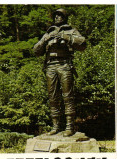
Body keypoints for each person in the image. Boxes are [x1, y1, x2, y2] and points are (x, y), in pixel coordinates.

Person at [33, 8, 86, 137]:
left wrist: (65, 37)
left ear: (65, 17)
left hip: (64, 64)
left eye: (60, 15)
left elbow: (83, 43)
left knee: (68, 96)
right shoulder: (48, 32)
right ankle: (55, 126)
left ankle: (69, 127)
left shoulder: (70, 30)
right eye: (56, 15)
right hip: (50, 65)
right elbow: (35, 51)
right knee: (53, 97)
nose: (57, 17)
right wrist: (46, 40)